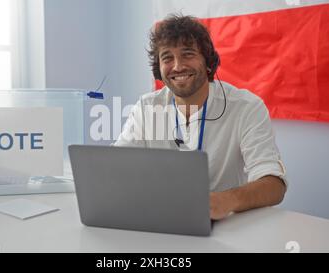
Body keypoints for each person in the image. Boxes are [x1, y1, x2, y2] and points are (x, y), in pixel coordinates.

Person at [114, 14, 287, 220]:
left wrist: (226, 200)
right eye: (167, 58)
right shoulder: (146, 107)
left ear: (208, 62)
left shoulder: (246, 107)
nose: (178, 66)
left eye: (188, 54)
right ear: (158, 69)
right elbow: (116, 169)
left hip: (226, 226)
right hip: (160, 221)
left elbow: (274, 185)